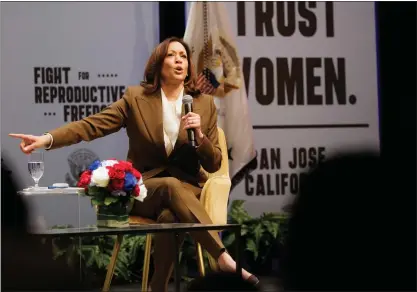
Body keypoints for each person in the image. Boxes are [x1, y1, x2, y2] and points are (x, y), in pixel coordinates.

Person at [9, 37, 259, 292]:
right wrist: (46, 139)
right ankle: (222, 257)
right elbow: (92, 125)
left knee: (170, 216)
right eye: (172, 55)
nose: (179, 61)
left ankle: (157, 287)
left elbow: (215, 162)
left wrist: (201, 137)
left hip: (187, 191)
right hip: (145, 189)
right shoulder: (136, 98)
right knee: (169, 186)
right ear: (158, 64)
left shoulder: (203, 104)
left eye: (183, 56)